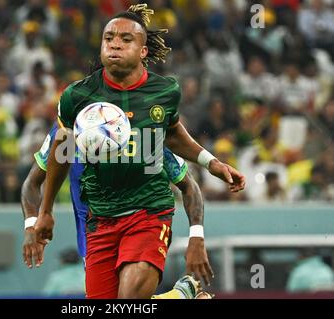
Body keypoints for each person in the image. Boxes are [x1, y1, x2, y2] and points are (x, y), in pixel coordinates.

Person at [33, 4, 244, 299]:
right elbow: (61, 149)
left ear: (143, 51)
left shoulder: (165, 91)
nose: (115, 44)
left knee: (130, 299)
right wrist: (45, 212)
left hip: (149, 212)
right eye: (109, 38)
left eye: (125, 39)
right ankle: (180, 296)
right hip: (102, 220)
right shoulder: (77, 96)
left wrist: (212, 162)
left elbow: (172, 134)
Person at [21, 122, 213, 298]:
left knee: (130, 297)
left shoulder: (142, 128)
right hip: (94, 234)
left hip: (140, 222)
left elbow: (189, 185)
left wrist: (196, 235)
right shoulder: (69, 129)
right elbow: (32, 182)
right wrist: (31, 223)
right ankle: (181, 295)